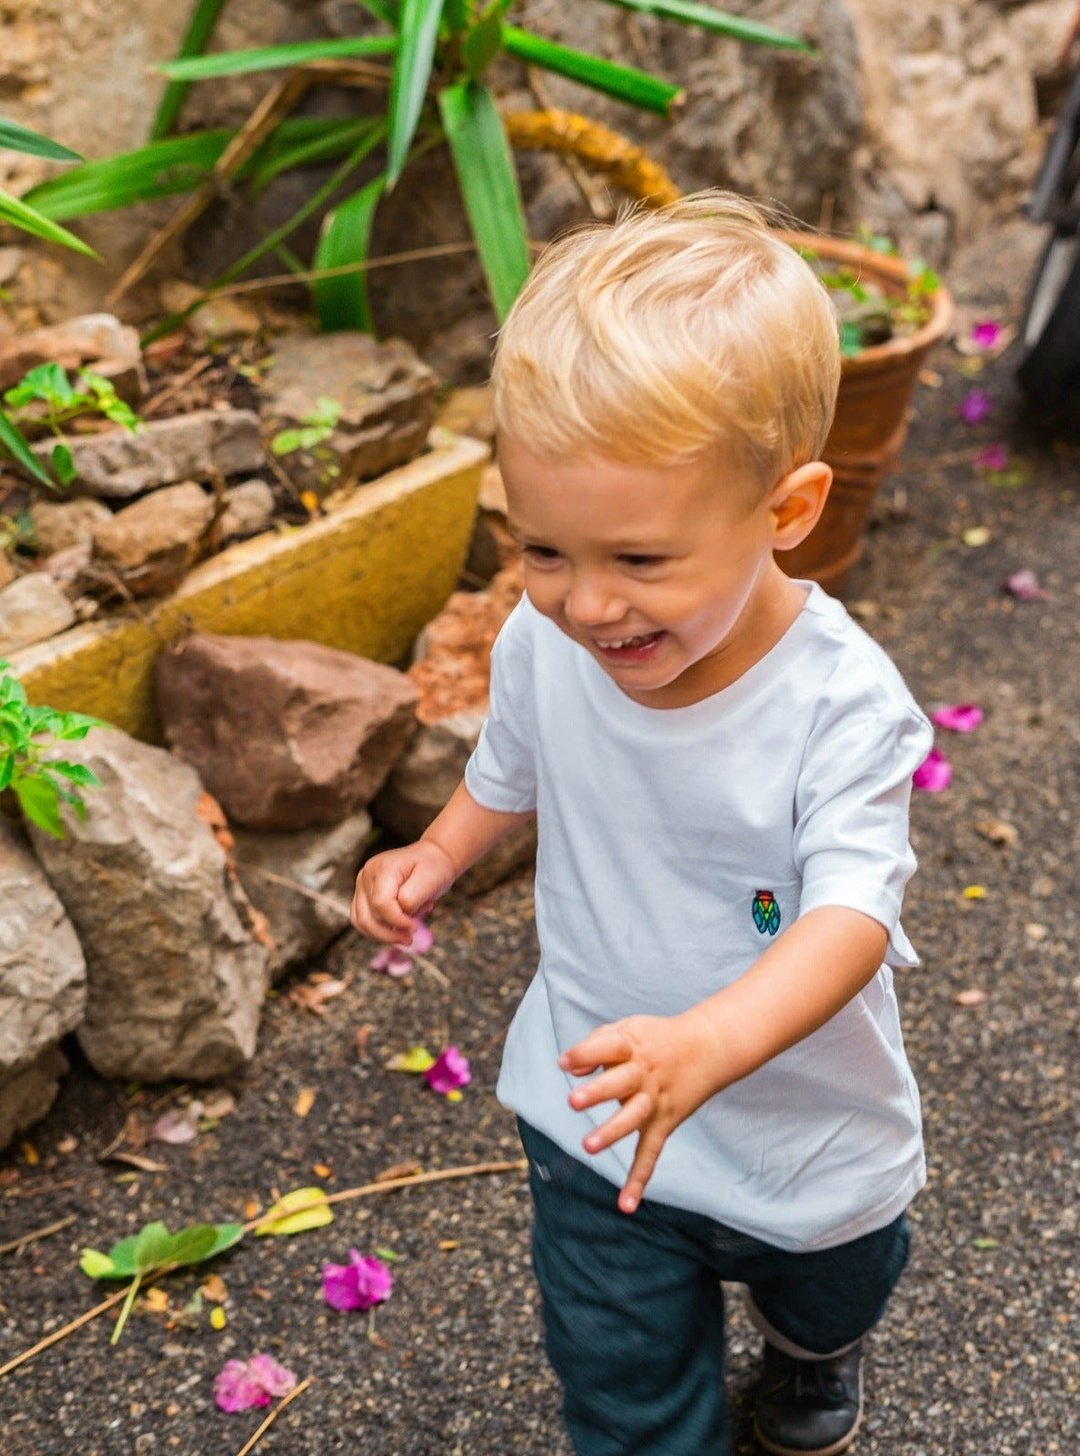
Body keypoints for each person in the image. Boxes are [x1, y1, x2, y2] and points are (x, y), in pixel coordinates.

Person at [351, 191, 933, 1456]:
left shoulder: (840, 705)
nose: (585, 603)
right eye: (542, 548)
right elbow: (517, 764)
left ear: (786, 511)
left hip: (800, 1129)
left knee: (836, 1284)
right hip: (597, 1112)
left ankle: (810, 1351)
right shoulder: (545, 642)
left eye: (640, 561)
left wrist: (713, 1043)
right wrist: (440, 849)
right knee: (624, 1394)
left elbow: (846, 917)